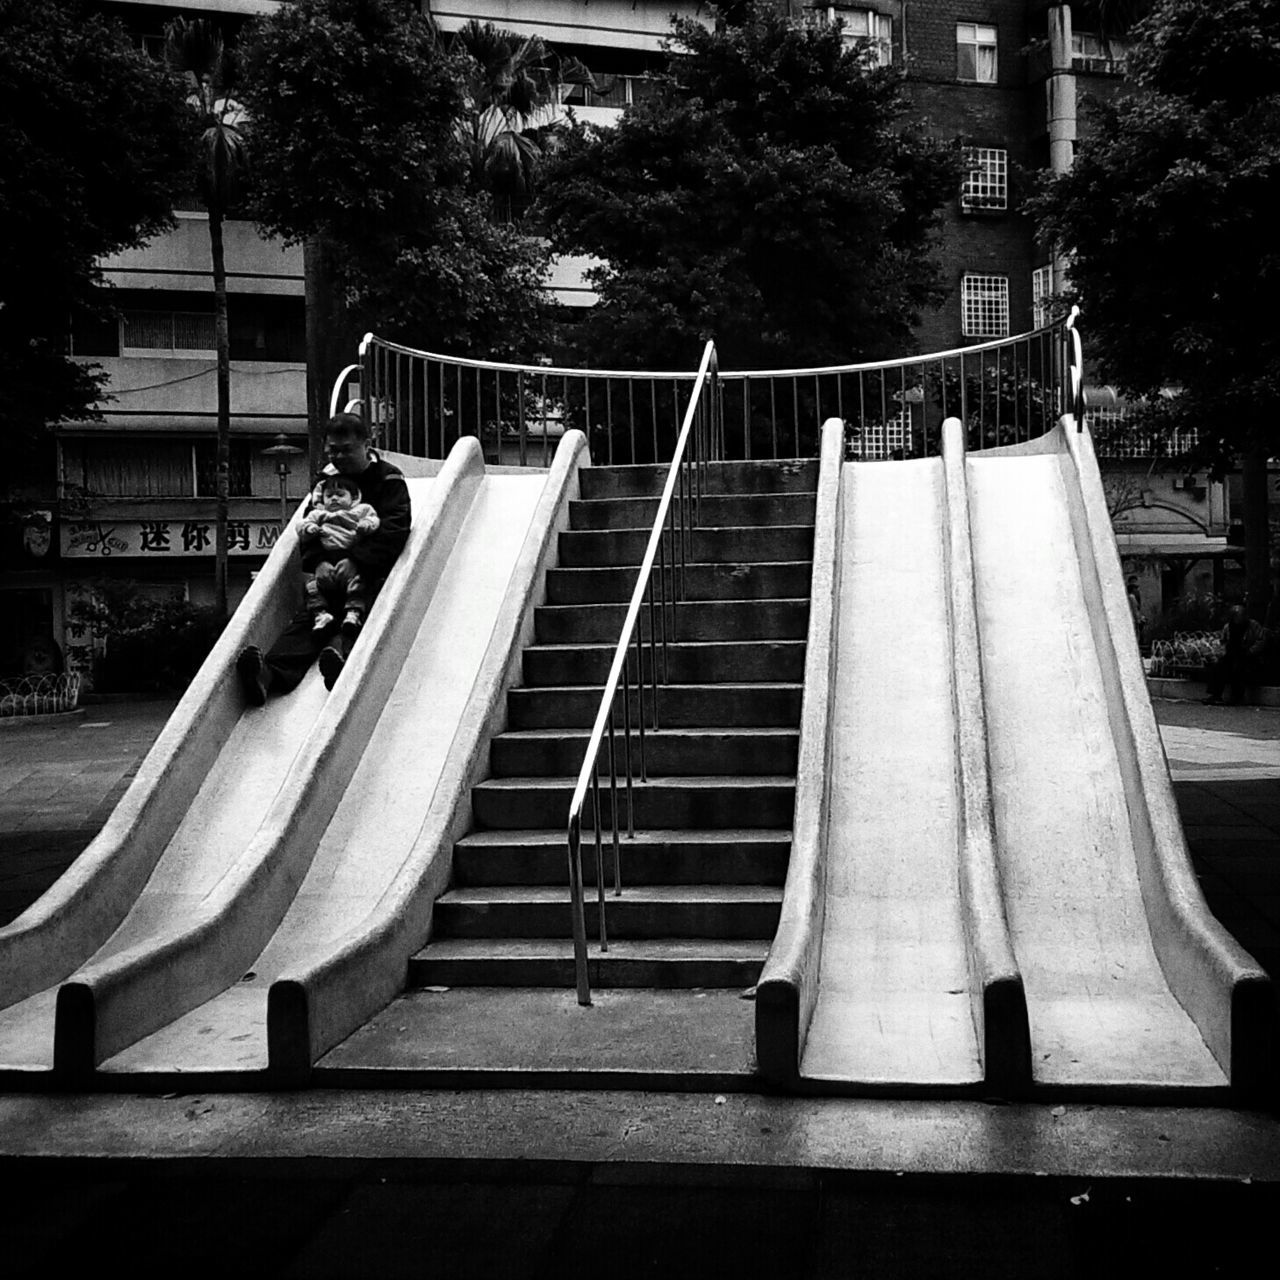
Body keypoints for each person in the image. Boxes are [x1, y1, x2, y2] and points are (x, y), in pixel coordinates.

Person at [236, 412, 411, 702]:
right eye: (332, 450)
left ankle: (341, 659)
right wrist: (318, 563)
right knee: (314, 613)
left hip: (370, 569)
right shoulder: (326, 480)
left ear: (366, 445)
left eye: (346, 450)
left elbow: (396, 526)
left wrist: (357, 560)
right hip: (328, 565)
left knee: (362, 608)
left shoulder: (387, 478)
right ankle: (269, 674)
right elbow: (309, 526)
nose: (338, 457)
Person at [298, 473, 381, 635]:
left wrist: (366, 525)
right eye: (329, 496)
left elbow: (374, 520)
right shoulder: (318, 514)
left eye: (340, 495)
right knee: (311, 587)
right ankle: (320, 615)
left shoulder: (360, 510)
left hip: (349, 556)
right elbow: (303, 525)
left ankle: (353, 613)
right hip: (326, 559)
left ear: (354, 497)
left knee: (358, 584)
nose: (334, 499)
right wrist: (309, 529)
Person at [1202, 604, 1267, 706]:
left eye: (1240, 616)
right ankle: (1215, 695)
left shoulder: (1253, 625)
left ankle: (1237, 697)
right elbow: (1223, 641)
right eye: (1236, 616)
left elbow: (1261, 641)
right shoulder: (1228, 627)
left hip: (1249, 656)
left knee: (1239, 668)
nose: (1238, 619)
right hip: (1232, 654)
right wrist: (1222, 653)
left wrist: (1250, 651)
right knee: (1219, 666)